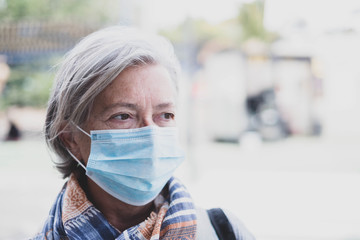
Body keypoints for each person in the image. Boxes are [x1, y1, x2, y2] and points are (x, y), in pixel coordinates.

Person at [33, 26, 255, 240]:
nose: (152, 135)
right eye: (123, 116)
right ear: (71, 138)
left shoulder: (224, 231)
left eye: (165, 115)